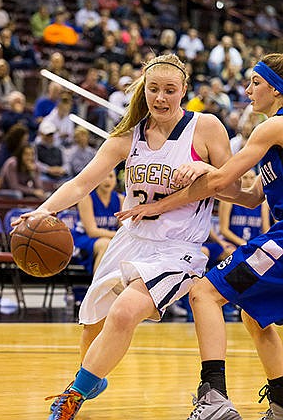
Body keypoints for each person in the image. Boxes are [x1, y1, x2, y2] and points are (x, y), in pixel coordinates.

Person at [11, 53, 239, 420]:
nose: (161, 98)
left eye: (169, 90)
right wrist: (44, 210)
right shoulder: (128, 135)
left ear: (184, 91)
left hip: (177, 248)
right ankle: (90, 379)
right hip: (130, 240)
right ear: (143, 90)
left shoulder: (206, 127)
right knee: (92, 328)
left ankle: (71, 398)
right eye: (153, 89)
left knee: (124, 311)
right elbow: (82, 182)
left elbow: (235, 188)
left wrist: (207, 167)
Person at [116, 52, 283, 419]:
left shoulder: (272, 127)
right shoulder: (272, 135)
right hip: (279, 234)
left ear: (275, 87)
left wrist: (170, 196)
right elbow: (252, 196)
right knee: (254, 315)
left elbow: (223, 179)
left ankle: (214, 398)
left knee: (203, 293)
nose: (248, 89)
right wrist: (210, 176)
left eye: (255, 83)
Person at [72, 170, 124, 275]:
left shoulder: (120, 199)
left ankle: (118, 287)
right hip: (84, 239)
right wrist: (118, 236)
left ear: (115, 180)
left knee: (124, 246)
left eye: (111, 176)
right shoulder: (86, 198)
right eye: (104, 176)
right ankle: (97, 288)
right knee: (105, 244)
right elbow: (92, 231)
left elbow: (123, 228)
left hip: (110, 239)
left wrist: (120, 237)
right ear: (97, 180)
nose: (107, 180)